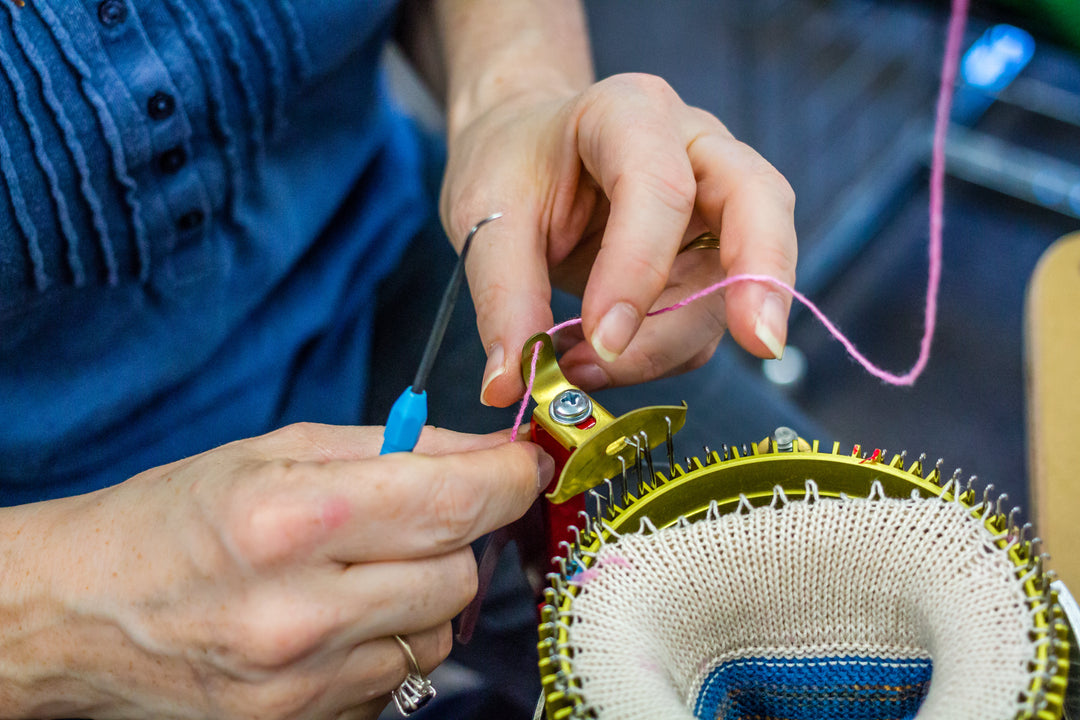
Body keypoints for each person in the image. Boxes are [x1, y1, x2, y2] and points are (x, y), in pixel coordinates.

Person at [0, 1, 801, 718]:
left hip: (395, 258)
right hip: (54, 540)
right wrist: (47, 623)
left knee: (821, 593)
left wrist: (515, 92)